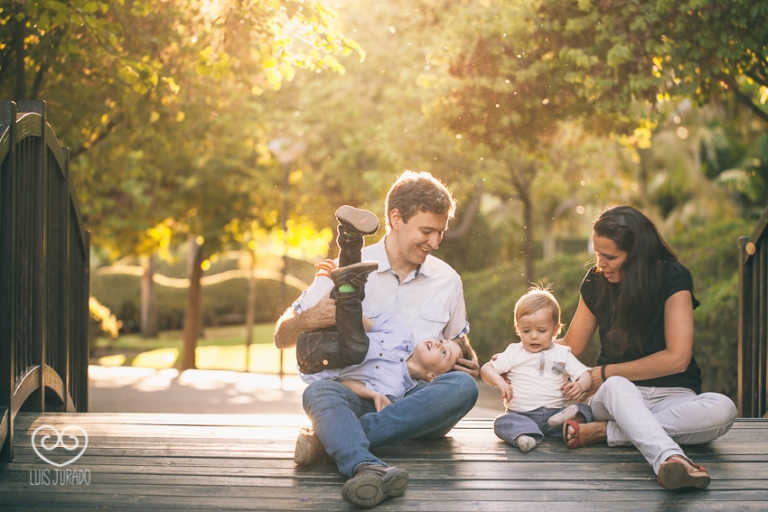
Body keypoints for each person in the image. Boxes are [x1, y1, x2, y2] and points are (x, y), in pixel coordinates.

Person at [273, 171, 480, 508]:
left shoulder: (448, 280)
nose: (435, 242)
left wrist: (466, 360)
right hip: (355, 395)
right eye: (427, 231)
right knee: (320, 392)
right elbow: (282, 336)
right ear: (396, 219)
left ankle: (333, 439)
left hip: (416, 402)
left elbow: (462, 347)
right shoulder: (345, 270)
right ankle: (361, 461)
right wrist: (313, 318)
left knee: (463, 388)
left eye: (440, 233)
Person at [559, 204, 737, 490]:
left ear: (637, 255)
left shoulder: (673, 277)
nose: (600, 263)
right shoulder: (595, 281)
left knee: (723, 409)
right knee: (618, 385)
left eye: (610, 256)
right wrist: (518, 354)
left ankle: (608, 433)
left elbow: (677, 359)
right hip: (615, 396)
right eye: (597, 254)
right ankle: (671, 459)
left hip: (673, 395)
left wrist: (602, 372)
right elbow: (570, 345)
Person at [481, 287, 593, 452]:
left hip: (557, 412)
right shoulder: (514, 352)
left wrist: (580, 386)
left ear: (555, 330)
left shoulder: (562, 353)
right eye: (526, 331)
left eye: (541, 330)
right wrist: (499, 382)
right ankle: (525, 437)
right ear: (518, 328)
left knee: (586, 410)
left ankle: (569, 421)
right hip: (522, 415)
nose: (534, 336)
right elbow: (486, 369)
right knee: (502, 422)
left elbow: (585, 374)